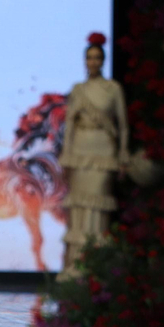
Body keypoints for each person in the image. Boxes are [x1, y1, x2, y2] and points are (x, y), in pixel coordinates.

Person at [59, 32, 129, 269]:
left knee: (98, 205)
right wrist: (66, 156)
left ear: (103, 60)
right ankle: (77, 267)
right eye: (89, 57)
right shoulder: (78, 90)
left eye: (97, 57)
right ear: (84, 61)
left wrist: (123, 155)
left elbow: (123, 125)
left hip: (104, 149)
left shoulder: (113, 89)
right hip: (80, 148)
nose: (93, 62)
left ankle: (96, 267)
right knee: (79, 207)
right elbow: (69, 125)